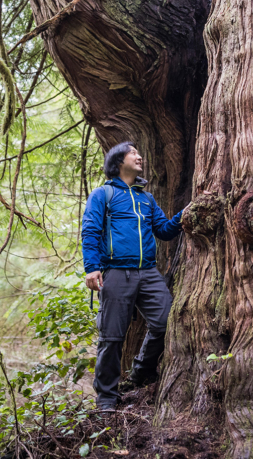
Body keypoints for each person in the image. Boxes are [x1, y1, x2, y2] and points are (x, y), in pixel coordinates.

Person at [81, 142, 184, 411]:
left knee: (165, 323)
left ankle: (140, 371)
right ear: (118, 162)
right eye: (133, 153)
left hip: (148, 272)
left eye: (139, 152)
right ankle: (106, 400)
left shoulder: (145, 198)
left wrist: (187, 214)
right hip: (115, 272)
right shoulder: (103, 194)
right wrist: (91, 268)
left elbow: (163, 230)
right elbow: (90, 231)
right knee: (112, 337)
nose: (139, 156)